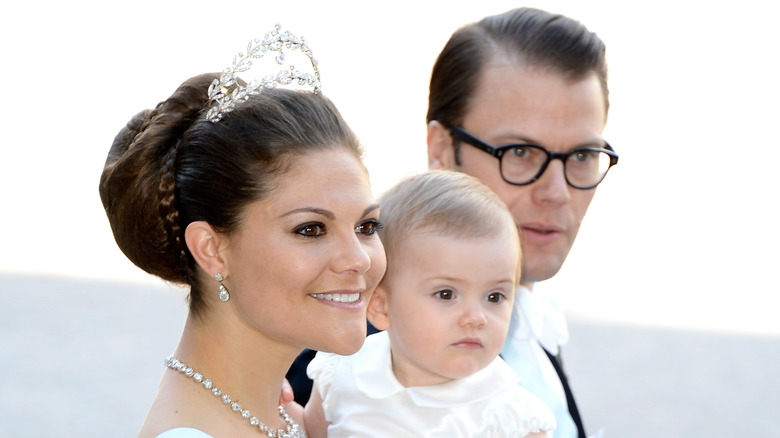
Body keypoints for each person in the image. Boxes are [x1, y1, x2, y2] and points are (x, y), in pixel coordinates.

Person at [99, 26, 386, 438]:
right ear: (212, 249)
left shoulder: (289, 416)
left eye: (366, 226)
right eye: (311, 229)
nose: (359, 258)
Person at [425, 7, 618, 438]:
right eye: (519, 153)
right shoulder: (355, 354)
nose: (556, 192)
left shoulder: (531, 319)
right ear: (441, 149)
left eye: (582, 156)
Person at [304, 170, 556, 437]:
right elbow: (309, 432)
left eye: (494, 297)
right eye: (446, 294)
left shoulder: (511, 419)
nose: (476, 317)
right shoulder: (343, 375)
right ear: (380, 306)